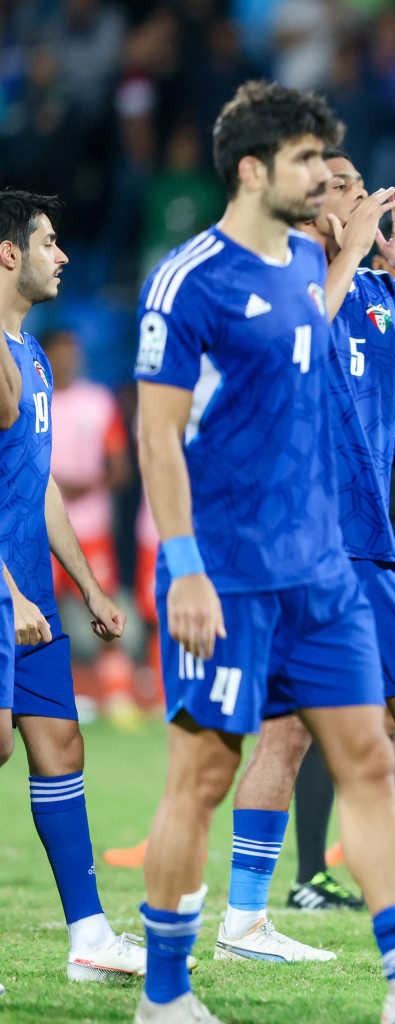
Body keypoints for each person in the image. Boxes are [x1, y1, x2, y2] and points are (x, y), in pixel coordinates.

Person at [132, 80, 395, 1024]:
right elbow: (157, 438)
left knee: (371, 761)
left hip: (331, 572)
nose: (333, 185)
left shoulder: (323, 272)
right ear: (256, 170)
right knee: (204, 773)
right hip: (235, 571)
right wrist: (184, 568)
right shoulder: (192, 280)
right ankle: (165, 995)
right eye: (311, 166)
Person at [210, 147, 395, 962]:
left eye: (368, 191)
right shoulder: (281, 279)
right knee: (288, 733)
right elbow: (283, 355)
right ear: (309, 204)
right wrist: (350, 246)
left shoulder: (376, 294)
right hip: (300, 546)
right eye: (346, 192)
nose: (365, 202)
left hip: (373, 547)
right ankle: (243, 921)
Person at [0, 189, 137, 981]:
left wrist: (84, 581)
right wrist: (10, 594)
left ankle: (89, 938)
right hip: (4, 594)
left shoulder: (37, 356)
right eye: (49, 241)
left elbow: (39, 481)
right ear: (9, 253)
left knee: (59, 744)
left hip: (33, 597)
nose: (64, 255)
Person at [42, 328, 137, 725]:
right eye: (60, 351)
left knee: (102, 610)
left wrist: (88, 485)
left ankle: (119, 698)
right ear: (44, 353)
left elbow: (120, 467)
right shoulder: (31, 397)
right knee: (37, 616)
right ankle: (43, 701)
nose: (68, 358)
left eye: (73, 350)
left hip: (91, 529)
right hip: (39, 529)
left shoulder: (98, 402)